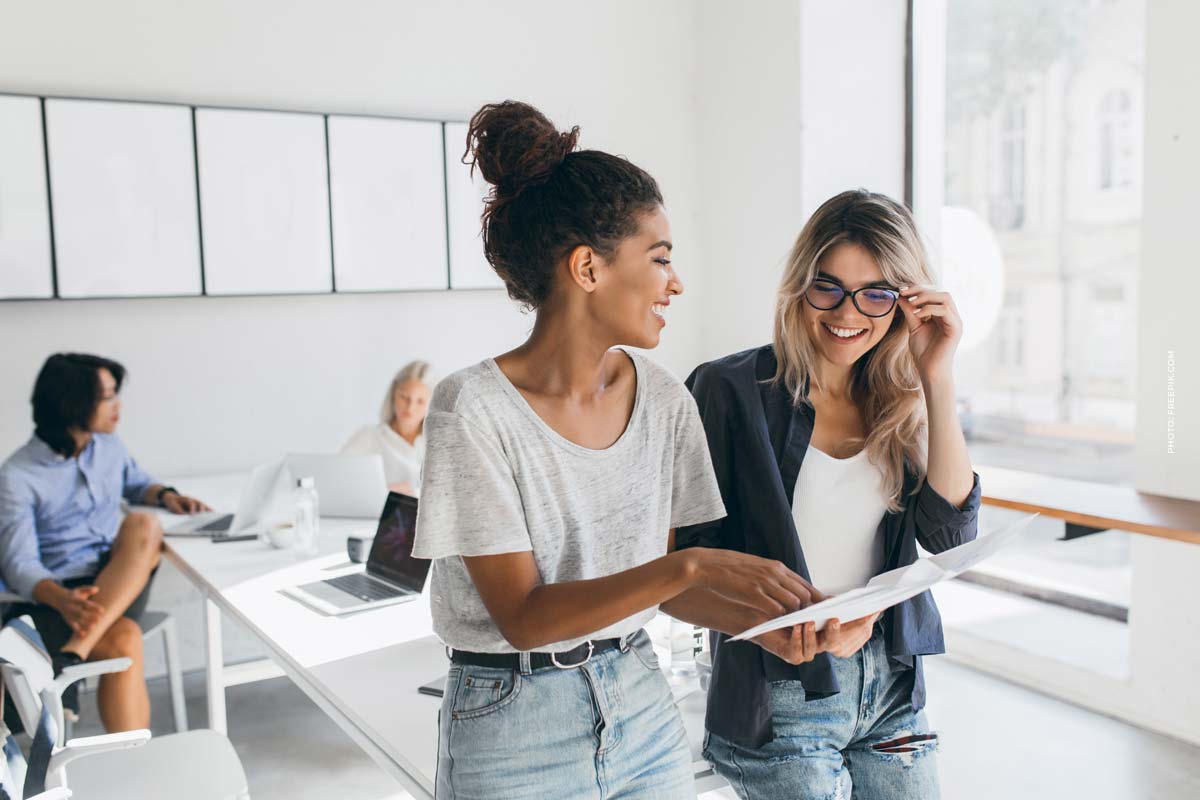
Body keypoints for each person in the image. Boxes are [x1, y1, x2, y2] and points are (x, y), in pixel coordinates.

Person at [412, 101, 822, 800]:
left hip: (639, 701)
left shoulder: (664, 402)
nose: (676, 282)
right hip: (512, 723)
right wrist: (688, 562)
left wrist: (766, 627)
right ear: (587, 268)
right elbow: (525, 616)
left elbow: (657, 595)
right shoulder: (471, 410)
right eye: (660, 258)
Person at [675, 190, 982, 799]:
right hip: (780, 692)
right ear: (800, 286)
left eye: (876, 293)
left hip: (891, 689)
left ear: (903, 303)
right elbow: (680, 567)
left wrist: (937, 375)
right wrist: (768, 629)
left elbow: (949, 536)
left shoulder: (903, 398)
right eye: (829, 287)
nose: (849, 311)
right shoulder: (726, 390)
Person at [0, 353, 210, 732]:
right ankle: (136, 771)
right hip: (57, 598)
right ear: (73, 404)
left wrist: (164, 495)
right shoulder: (18, 475)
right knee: (125, 638)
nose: (118, 406)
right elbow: (19, 565)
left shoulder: (108, 448)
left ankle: (71, 657)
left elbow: (135, 483)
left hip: (115, 579)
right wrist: (63, 599)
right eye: (108, 397)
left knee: (144, 523)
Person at [340, 360, 433, 495]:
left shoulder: (438, 444)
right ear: (393, 395)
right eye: (404, 397)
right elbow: (340, 479)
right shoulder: (369, 437)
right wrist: (383, 492)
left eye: (420, 401)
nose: (410, 407)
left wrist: (414, 492)